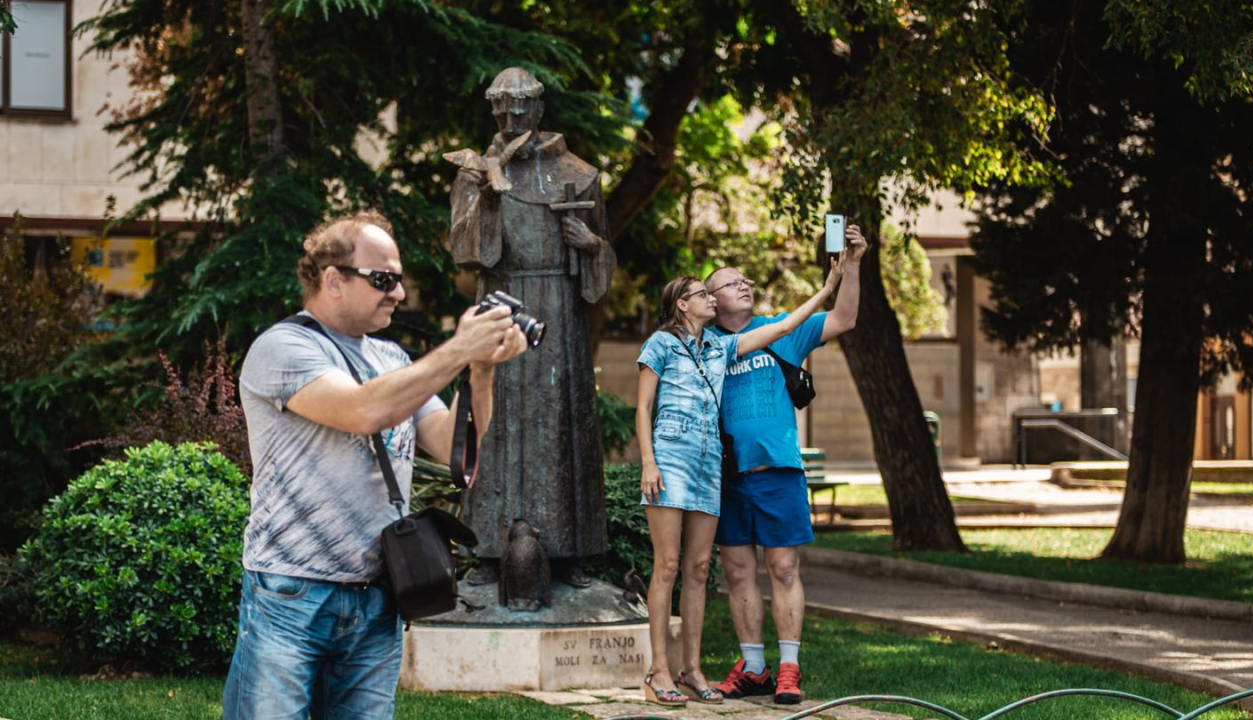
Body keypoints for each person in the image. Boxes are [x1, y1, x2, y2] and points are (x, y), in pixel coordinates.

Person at [223, 212, 527, 720]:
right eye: (383, 280)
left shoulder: (392, 359)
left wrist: (481, 368)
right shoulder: (284, 348)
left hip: (378, 596)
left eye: (399, 280)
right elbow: (364, 410)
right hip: (292, 594)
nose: (399, 294)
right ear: (333, 280)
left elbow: (449, 440)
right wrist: (458, 348)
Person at [634, 261, 844, 707]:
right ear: (682, 304)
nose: (714, 298)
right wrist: (648, 462)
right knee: (669, 567)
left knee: (698, 569)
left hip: (711, 468)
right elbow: (642, 407)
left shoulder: (720, 349)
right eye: (704, 293)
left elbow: (787, 324)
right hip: (671, 462)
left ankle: (693, 668)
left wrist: (829, 287)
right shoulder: (661, 344)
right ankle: (660, 670)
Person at [449, 67, 616, 586]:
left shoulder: (580, 174)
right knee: (494, 421)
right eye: (500, 108)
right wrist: (492, 198)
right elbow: (465, 250)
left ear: (539, 107)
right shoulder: (476, 172)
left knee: (560, 425)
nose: (509, 118)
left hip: (559, 315)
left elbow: (602, 262)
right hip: (500, 305)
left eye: (519, 107)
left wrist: (590, 246)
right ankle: (488, 551)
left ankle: (567, 553)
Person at [708, 223, 867, 705]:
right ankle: (753, 667)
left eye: (746, 280)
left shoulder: (781, 329)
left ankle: (789, 669)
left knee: (782, 567)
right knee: (737, 572)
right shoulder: (705, 344)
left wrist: (852, 267)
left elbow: (843, 319)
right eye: (733, 282)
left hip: (778, 470)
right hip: (728, 476)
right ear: (711, 300)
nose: (745, 285)